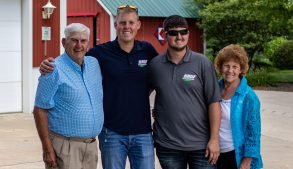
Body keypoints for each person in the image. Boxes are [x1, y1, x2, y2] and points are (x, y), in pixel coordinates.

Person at [39, 5, 158, 169]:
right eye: (122, 23)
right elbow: (74, 57)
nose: (127, 27)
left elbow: (161, 76)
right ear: (116, 25)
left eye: (131, 22)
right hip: (112, 133)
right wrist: (48, 64)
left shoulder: (148, 50)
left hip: (143, 132)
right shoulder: (99, 54)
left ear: (138, 25)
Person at [149, 15, 221, 169]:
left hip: (201, 146)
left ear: (188, 33)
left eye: (183, 32)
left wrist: (214, 139)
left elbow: (214, 103)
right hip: (168, 145)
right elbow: (138, 95)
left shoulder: (203, 63)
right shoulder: (155, 65)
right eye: (174, 33)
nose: (179, 37)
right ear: (165, 35)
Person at [33, 23, 104, 169]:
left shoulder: (94, 64)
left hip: (91, 147)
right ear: (64, 42)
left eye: (83, 41)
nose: (79, 45)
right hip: (65, 148)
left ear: (88, 43)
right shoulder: (53, 69)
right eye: (74, 40)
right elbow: (39, 109)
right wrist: (47, 149)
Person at [214, 44, 263, 169]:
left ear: (241, 69)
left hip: (237, 155)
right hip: (216, 153)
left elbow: (253, 134)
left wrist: (246, 162)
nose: (230, 70)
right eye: (226, 66)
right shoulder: (214, 89)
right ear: (220, 67)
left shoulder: (249, 96)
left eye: (235, 67)